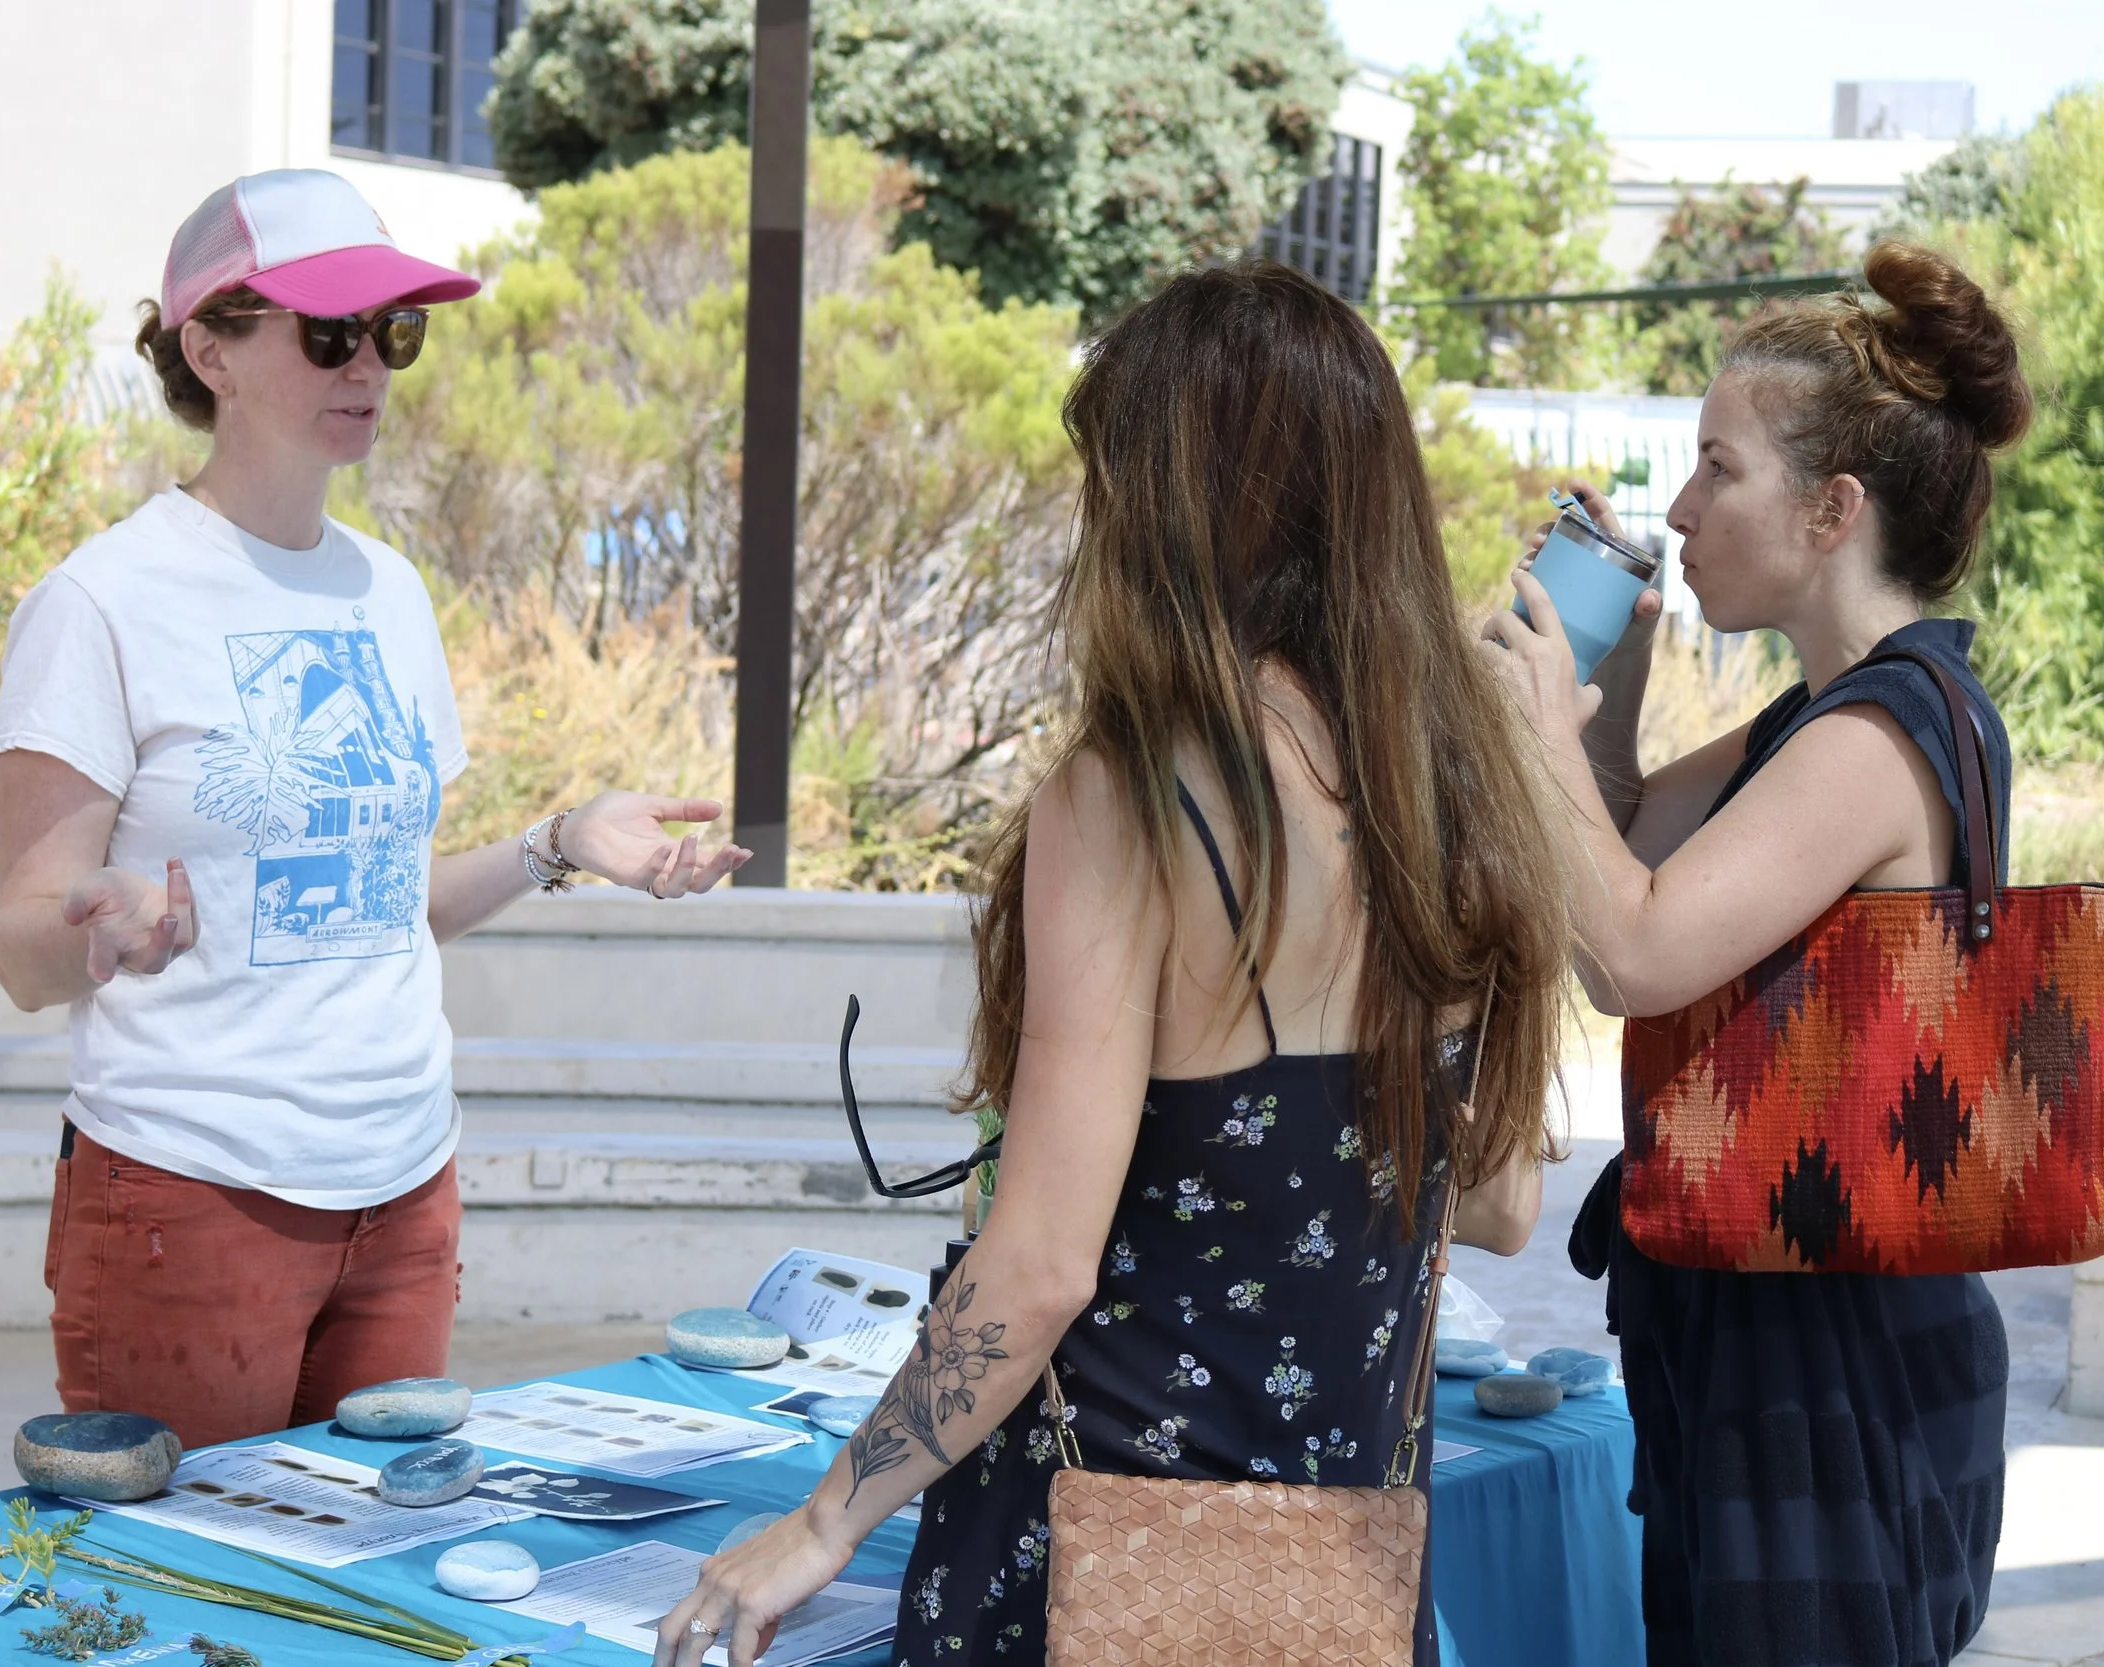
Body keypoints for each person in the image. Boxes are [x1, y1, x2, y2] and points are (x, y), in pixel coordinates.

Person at [652, 261, 1572, 1667]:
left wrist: (824, 1521)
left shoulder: (1140, 790)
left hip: (1102, 1558)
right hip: (1337, 1565)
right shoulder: (1450, 789)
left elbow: (1036, 1267)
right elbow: (1499, 1204)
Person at [0, 170, 747, 1451]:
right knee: (195, 1606)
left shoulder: (387, 592)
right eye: (328, 332)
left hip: (404, 1190)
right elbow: (20, 948)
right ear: (210, 348)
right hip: (191, 1191)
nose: (371, 367)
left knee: (370, 1588)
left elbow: (384, 905)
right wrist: (99, 928)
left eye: (395, 331)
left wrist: (556, 842)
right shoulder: (101, 601)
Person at [1484, 242, 2034, 1667]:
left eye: (1718, 468)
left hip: (1833, 1367)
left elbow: (1637, 948)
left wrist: (1541, 724)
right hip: (1788, 1328)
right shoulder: (1832, 715)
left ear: (1832, 508)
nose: (1679, 511)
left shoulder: (1877, 733)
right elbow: (1610, 849)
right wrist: (1599, 697)